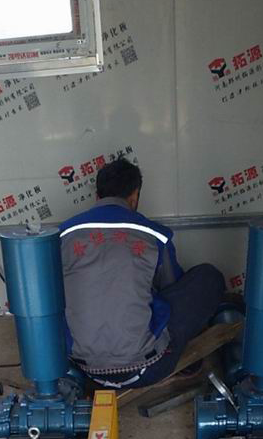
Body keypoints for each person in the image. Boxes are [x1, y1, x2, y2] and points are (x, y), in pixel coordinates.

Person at [60, 158, 225, 388]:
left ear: (97, 196)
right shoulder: (154, 235)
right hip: (148, 368)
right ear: (134, 196)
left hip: (83, 368)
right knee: (208, 277)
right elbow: (171, 289)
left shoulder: (63, 235)